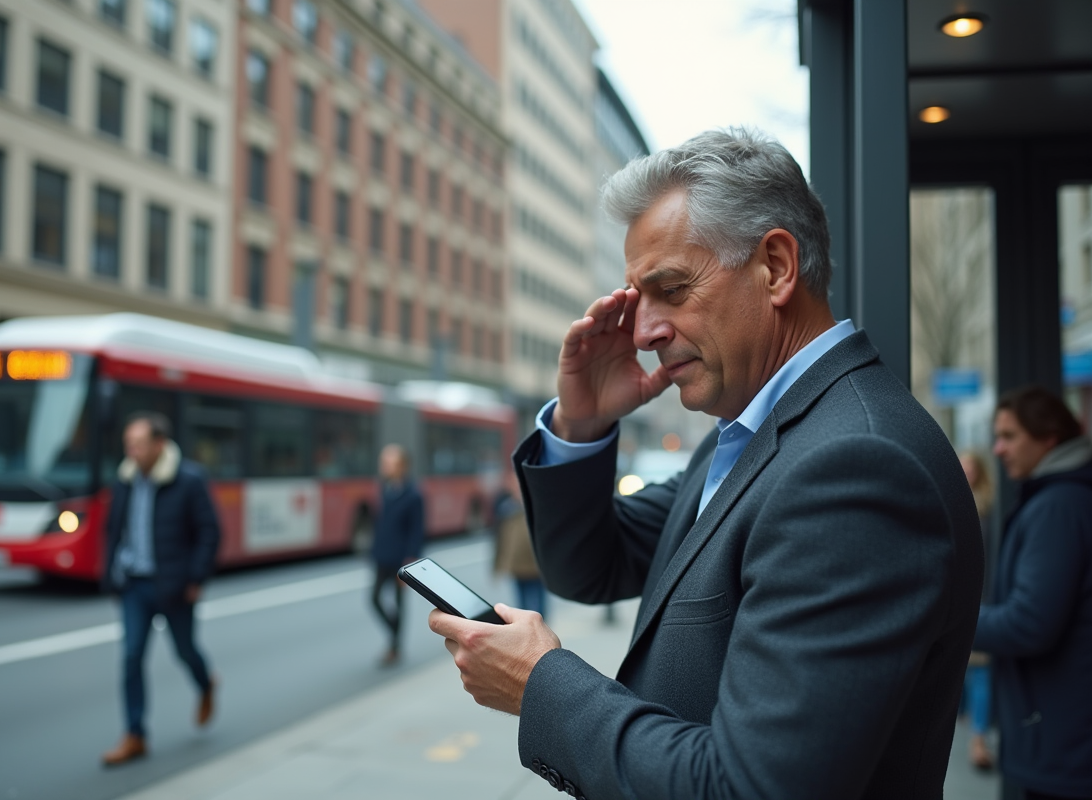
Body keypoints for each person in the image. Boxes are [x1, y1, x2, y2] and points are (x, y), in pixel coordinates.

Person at [425, 128, 984, 799]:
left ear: (776, 266)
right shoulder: (759, 434)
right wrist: (582, 424)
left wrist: (542, 685)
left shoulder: (853, 468)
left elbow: (751, 788)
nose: (643, 332)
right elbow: (590, 564)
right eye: (637, 300)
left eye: (671, 289)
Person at [974, 387, 1092, 800]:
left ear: (1049, 438)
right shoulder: (1062, 500)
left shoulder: (1057, 508)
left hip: (1064, 743)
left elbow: (1029, 624)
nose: (998, 449)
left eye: (1010, 436)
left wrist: (947, 616)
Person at [101, 412, 221, 767]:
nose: (132, 451)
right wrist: (111, 575)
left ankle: (206, 684)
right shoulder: (124, 480)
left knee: (185, 652)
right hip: (135, 585)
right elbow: (113, 530)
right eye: (128, 445)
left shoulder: (189, 480)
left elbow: (209, 532)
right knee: (131, 656)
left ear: (159, 445)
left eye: (138, 444)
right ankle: (135, 734)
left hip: (174, 586)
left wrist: (196, 578)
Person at [958, 450, 996, 771]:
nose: (967, 472)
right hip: (960, 600)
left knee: (981, 672)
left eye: (971, 467)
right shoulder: (950, 501)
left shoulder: (989, 510)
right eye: (962, 466)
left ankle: (978, 739)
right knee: (968, 671)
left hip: (985, 602)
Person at [369, 444, 424, 667]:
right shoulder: (384, 489)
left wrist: (411, 558)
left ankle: (395, 646)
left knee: (400, 603)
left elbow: (417, 530)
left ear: (401, 466)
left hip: (401, 559)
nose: (384, 466)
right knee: (374, 598)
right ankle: (395, 631)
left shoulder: (413, 495)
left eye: (388, 462)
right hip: (382, 556)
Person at [493, 473, 546, 617]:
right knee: (521, 605)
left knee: (538, 605)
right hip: (516, 566)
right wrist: (497, 565)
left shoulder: (537, 506)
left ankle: (541, 630)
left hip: (536, 566)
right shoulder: (505, 508)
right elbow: (500, 540)